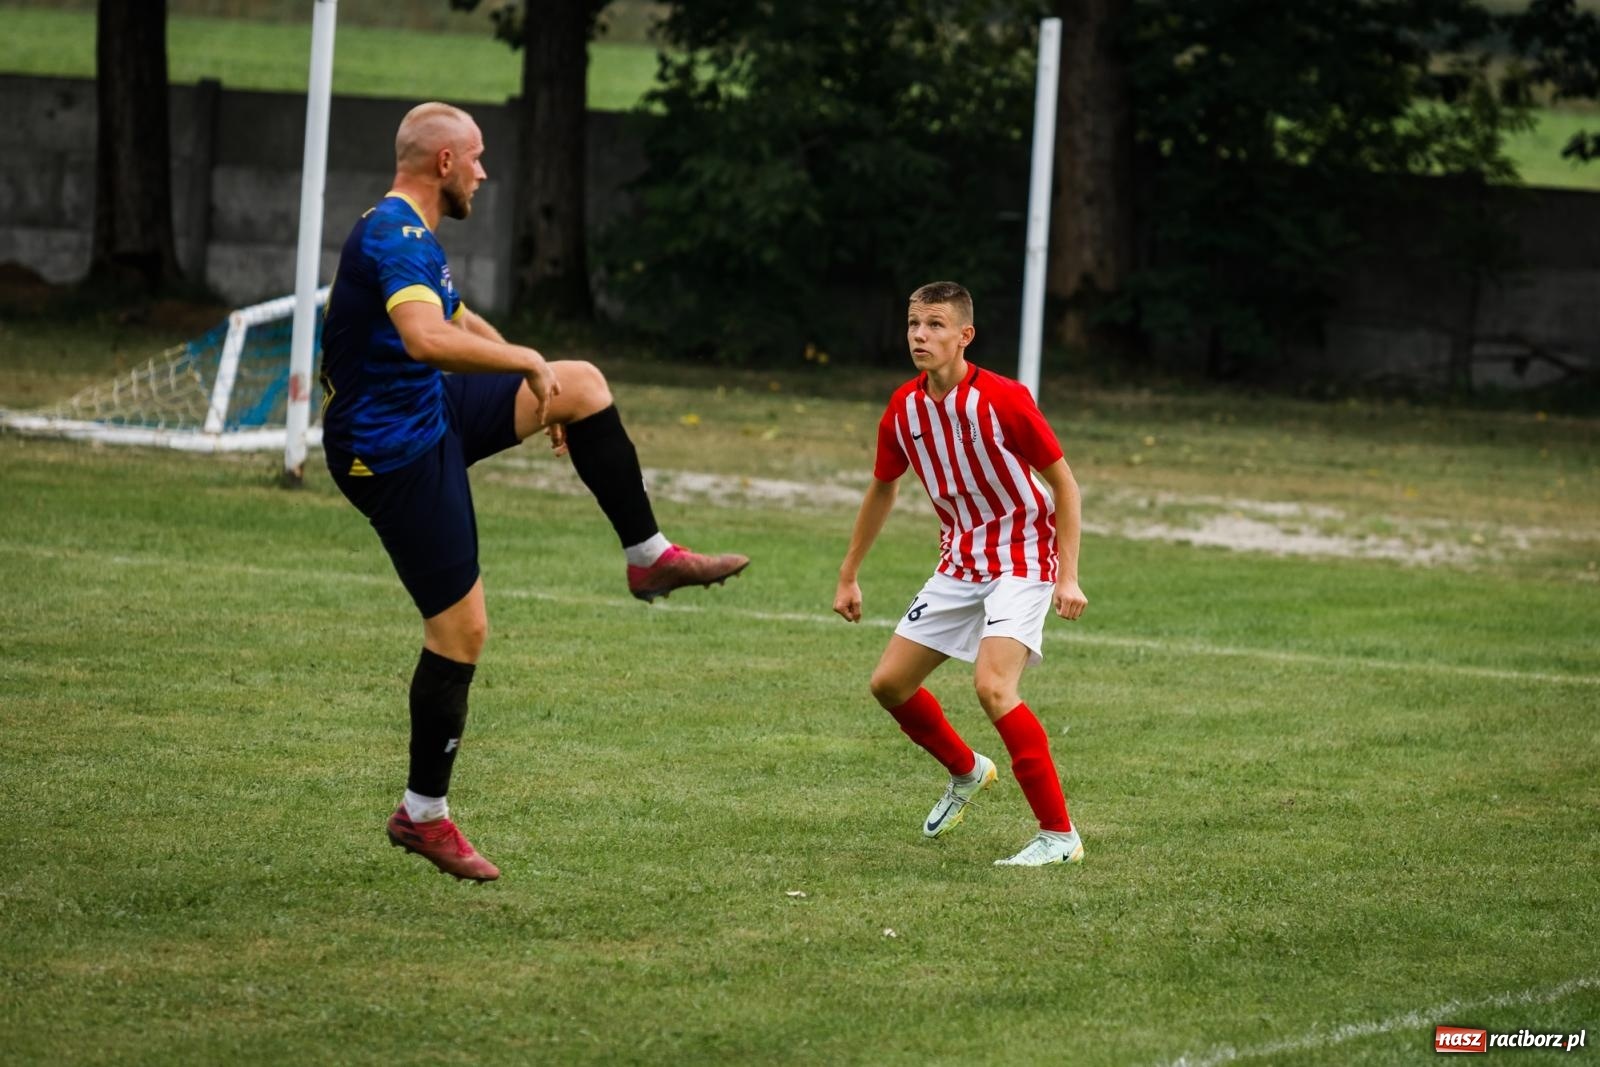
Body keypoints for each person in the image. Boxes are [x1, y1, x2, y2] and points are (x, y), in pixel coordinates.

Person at [319, 102, 749, 882]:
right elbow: (423, 338)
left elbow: (450, 317)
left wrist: (535, 365)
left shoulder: (409, 233)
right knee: (463, 633)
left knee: (579, 385)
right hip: (389, 452)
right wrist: (519, 360)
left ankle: (649, 557)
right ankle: (422, 816)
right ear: (444, 162)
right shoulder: (395, 233)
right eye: (477, 158)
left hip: (429, 411)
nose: (486, 172)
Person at [832, 281, 1088, 867]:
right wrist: (849, 573)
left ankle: (1059, 836)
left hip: (1023, 557)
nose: (921, 336)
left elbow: (1064, 485)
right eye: (914, 325)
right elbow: (883, 488)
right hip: (960, 560)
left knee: (994, 688)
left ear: (965, 336)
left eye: (937, 325)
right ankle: (968, 771)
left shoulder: (1004, 399)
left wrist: (1067, 577)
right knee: (889, 685)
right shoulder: (904, 408)